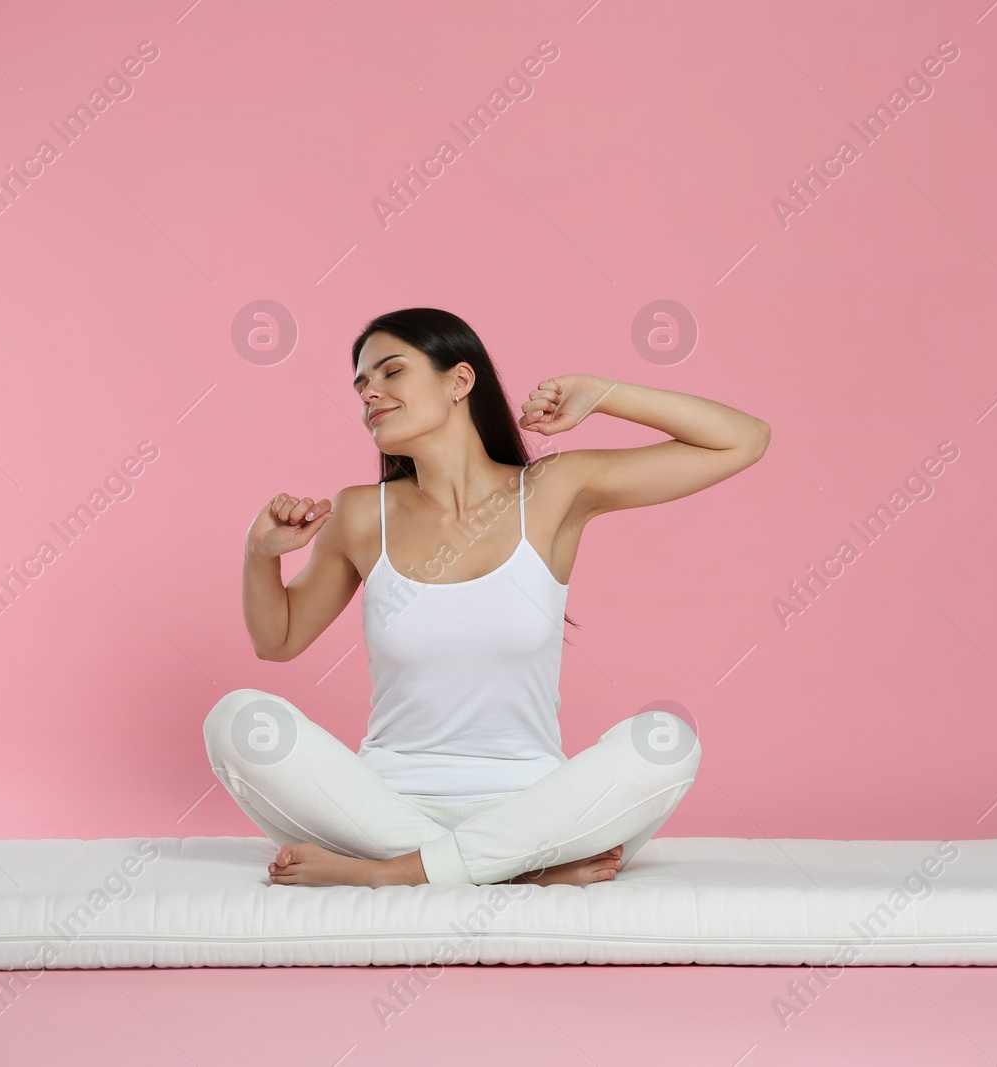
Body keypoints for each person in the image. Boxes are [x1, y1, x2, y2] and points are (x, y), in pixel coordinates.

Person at [205, 307, 769, 888]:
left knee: (666, 742)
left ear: (460, 380)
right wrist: (260, 552)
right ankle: (509, 870)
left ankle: (394, 875)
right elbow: (278, 640)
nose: (369, 391)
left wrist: (602, 394)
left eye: (390, 371)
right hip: (381, 811)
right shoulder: (357, 513)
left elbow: (743, 440)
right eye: (361, 384)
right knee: (236, 719)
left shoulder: (552, 490)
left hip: (537, 810)